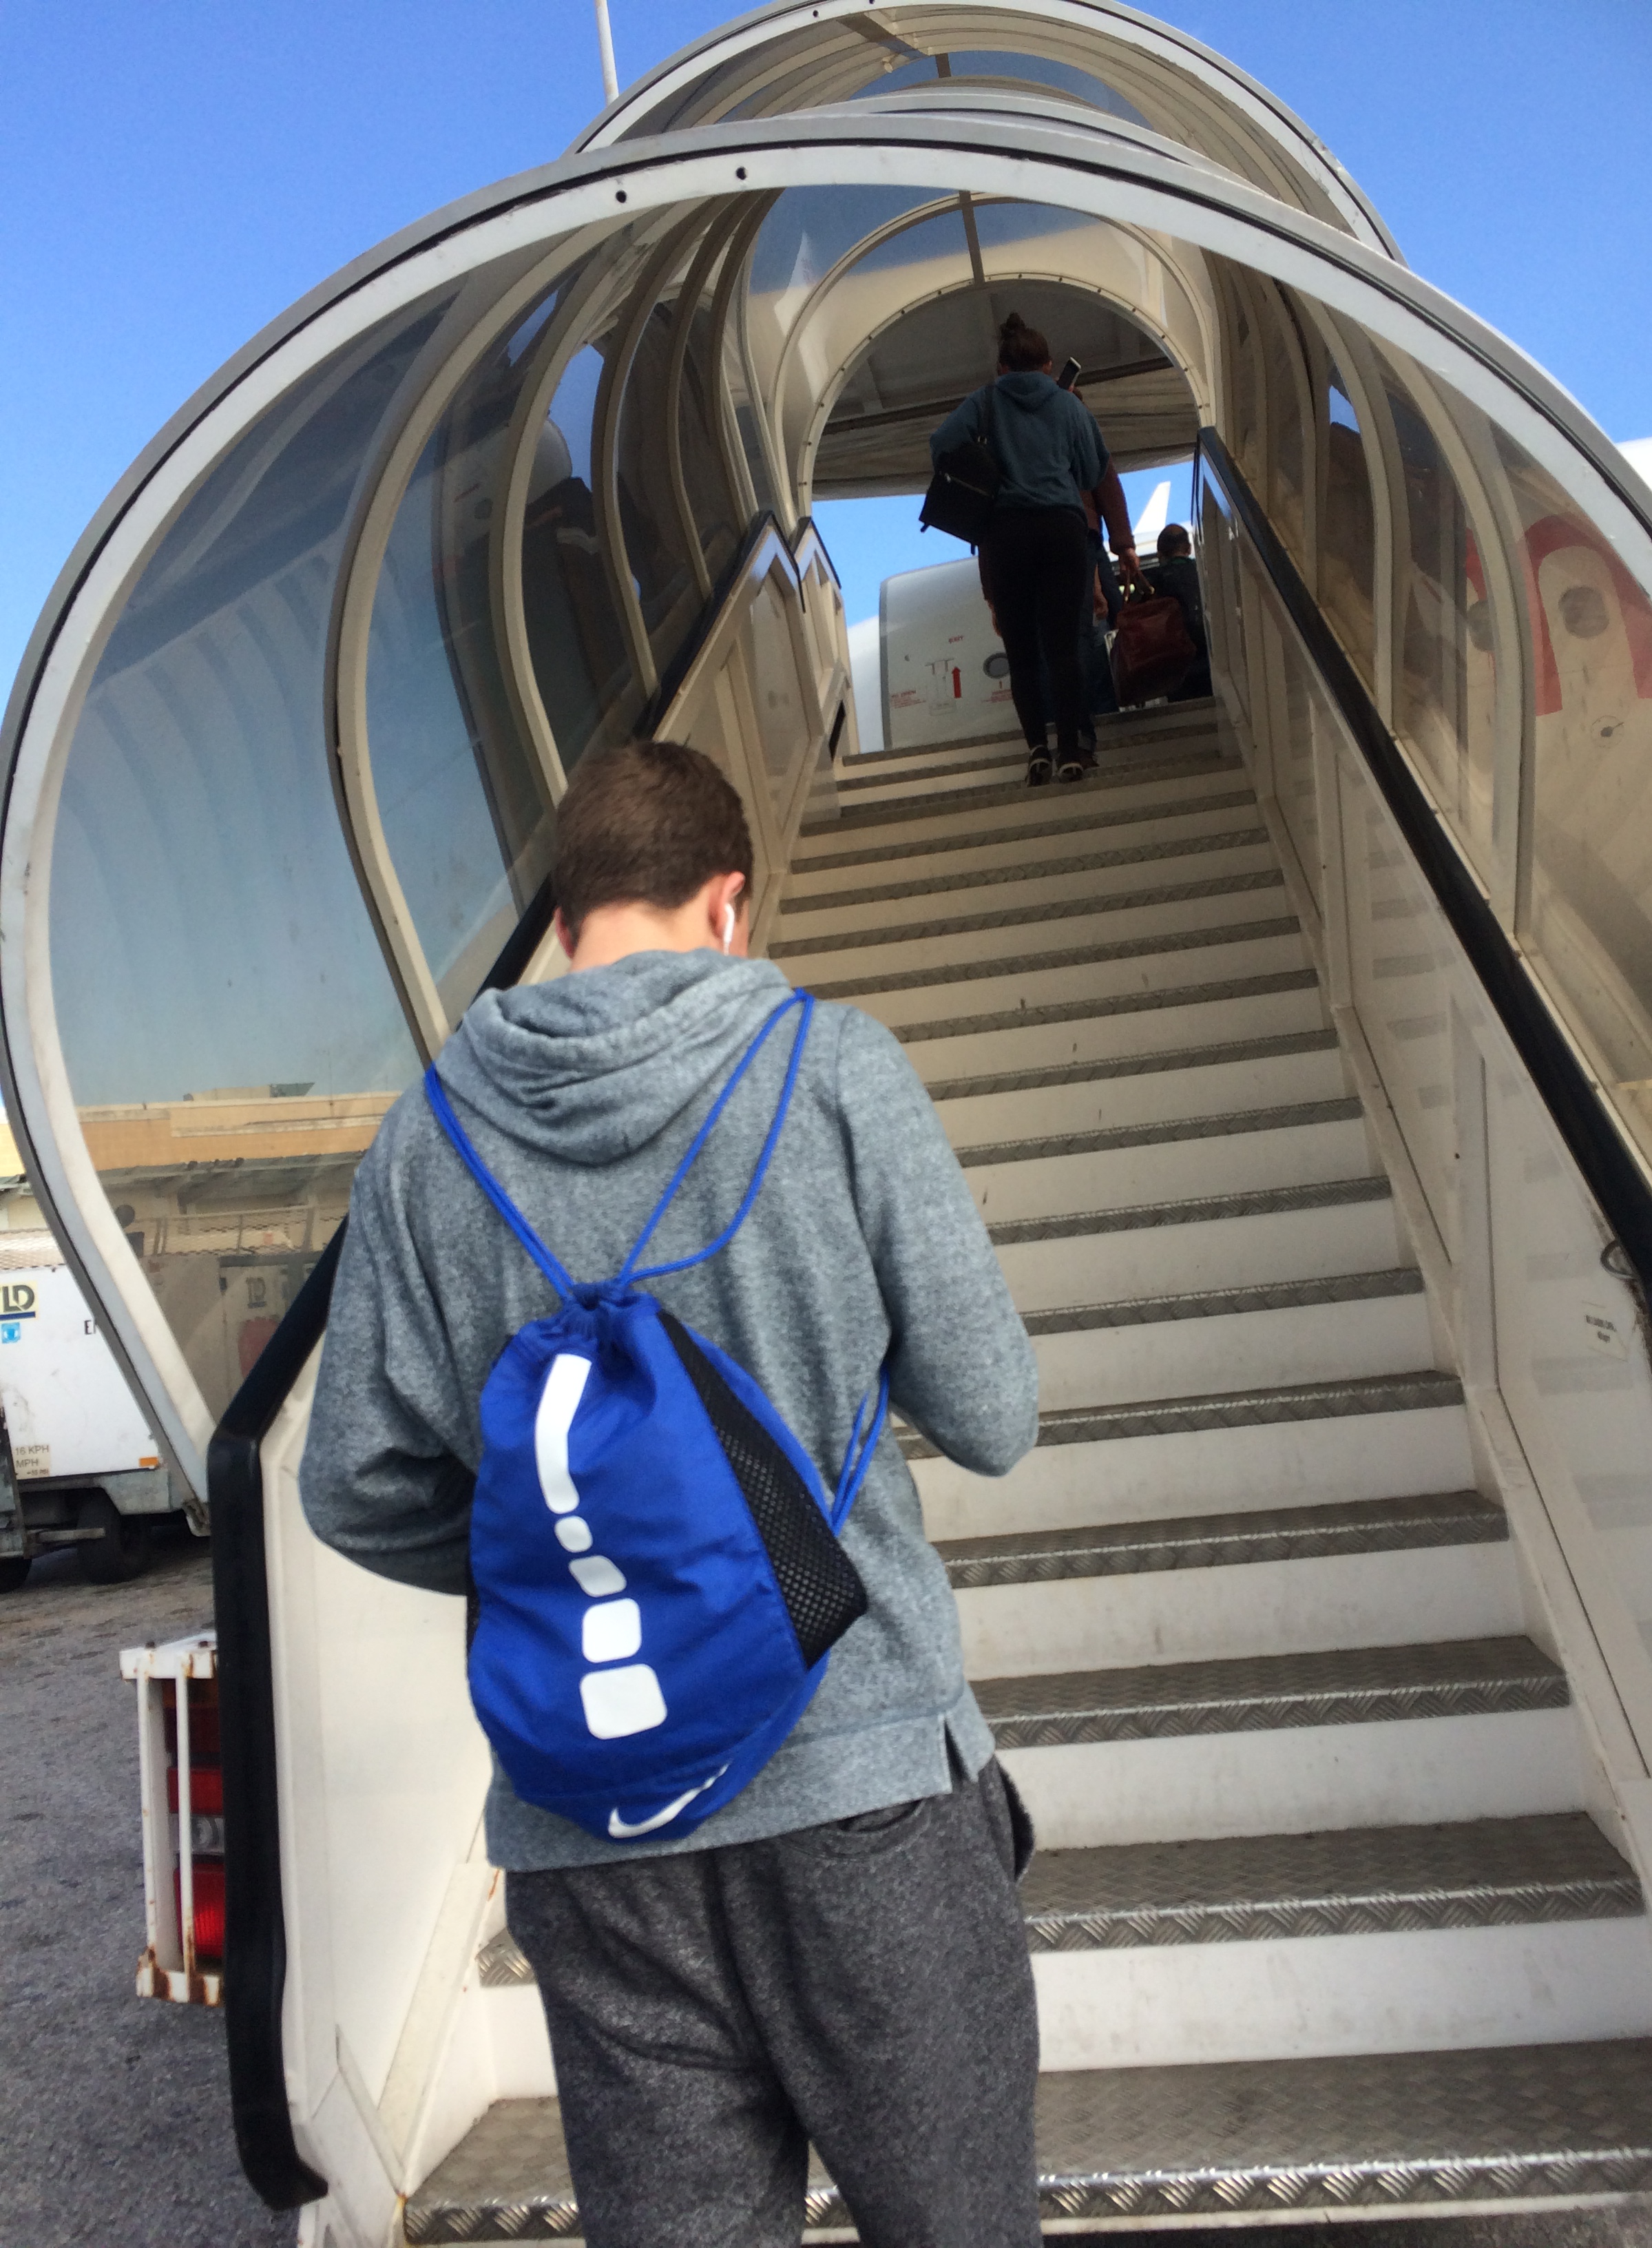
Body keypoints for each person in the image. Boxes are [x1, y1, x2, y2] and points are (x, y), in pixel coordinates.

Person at [299, 739, 1043, 2248]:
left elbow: (352, 1482)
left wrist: (590, 1562)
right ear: (728, 905)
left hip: (594, 1831)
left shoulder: (424, 1142)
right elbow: (992, 1415)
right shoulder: (832, 1069)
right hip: (863, 1786)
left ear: (565, 914)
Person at [931, 311, 1116, 786]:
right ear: (1049, 366)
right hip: (1062, 530)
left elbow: (942, 443)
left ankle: (1037, 751)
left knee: (1021, 652)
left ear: (1002, 368)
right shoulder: (1069, 404)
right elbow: (1093, 469)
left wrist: (988, 462)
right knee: (1064, 648)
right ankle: (1071, 751)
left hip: (1006, 533)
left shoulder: (986, 400)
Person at [1143, 522, 1213, 700]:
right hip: (1210, 653)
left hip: (1177, 664)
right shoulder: (1205, 572)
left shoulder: (1155, 579)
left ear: (1159, 554)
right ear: (1189, 549)